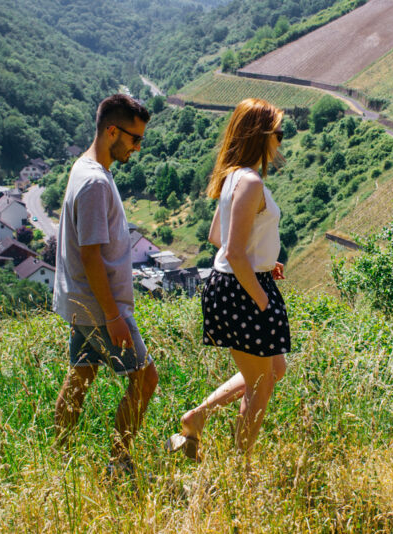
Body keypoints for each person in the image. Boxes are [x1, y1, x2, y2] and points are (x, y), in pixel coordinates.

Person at [165, 98, 289, 460]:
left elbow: (218, 237)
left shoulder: (233, 175)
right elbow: (233, 252)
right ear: (261, 136)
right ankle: (240, 471)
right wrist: (263, 300)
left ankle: (197, 417)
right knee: (261, 385)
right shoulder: (249, 181)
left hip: (236, 283)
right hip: (242, 289)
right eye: (277, 133)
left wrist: (264, 260)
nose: (280, 140)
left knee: (273, 370)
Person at [52, 94, 158, 477]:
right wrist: (113, 316)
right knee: (145, 379)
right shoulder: (95, 182)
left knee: (82, 372)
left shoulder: (84, 169)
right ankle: (119, 464)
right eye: (134, 138)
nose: (137, 147)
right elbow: (92, 254)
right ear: (112, 130)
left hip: (80, 299)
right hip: (100, 305)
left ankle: (59, 459)